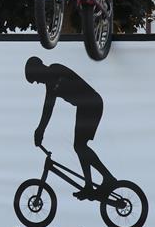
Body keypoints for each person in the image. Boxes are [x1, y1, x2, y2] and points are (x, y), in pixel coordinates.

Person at [25, 56, 115, 200]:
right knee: (79, 146)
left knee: (80, 146)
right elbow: (48, 109)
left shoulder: (55, 69)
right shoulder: (50, 85)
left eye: (35, 78)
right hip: (84, 107)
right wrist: (40, 130)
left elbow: (48, 108)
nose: (37, 82)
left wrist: (40, 129)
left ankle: (107, 179)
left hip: (92, 104)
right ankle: (90, 186)